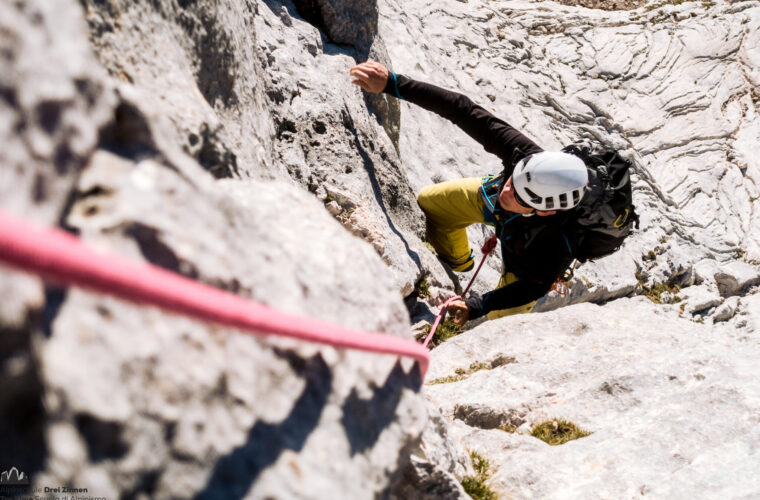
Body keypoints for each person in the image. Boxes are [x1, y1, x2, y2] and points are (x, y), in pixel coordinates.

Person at [349, 61, 589, 326]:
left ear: (544, 210)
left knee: (503, 322)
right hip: (500, 211)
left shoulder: (559, 240)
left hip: (526, 256)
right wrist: (393, 84)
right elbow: (462, 109)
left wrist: (478, 306)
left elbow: (532, 287)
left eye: (520, 196)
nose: (507, 191)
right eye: (513, 179)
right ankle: (460, 261)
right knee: (431, 203)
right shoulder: (524, 157)